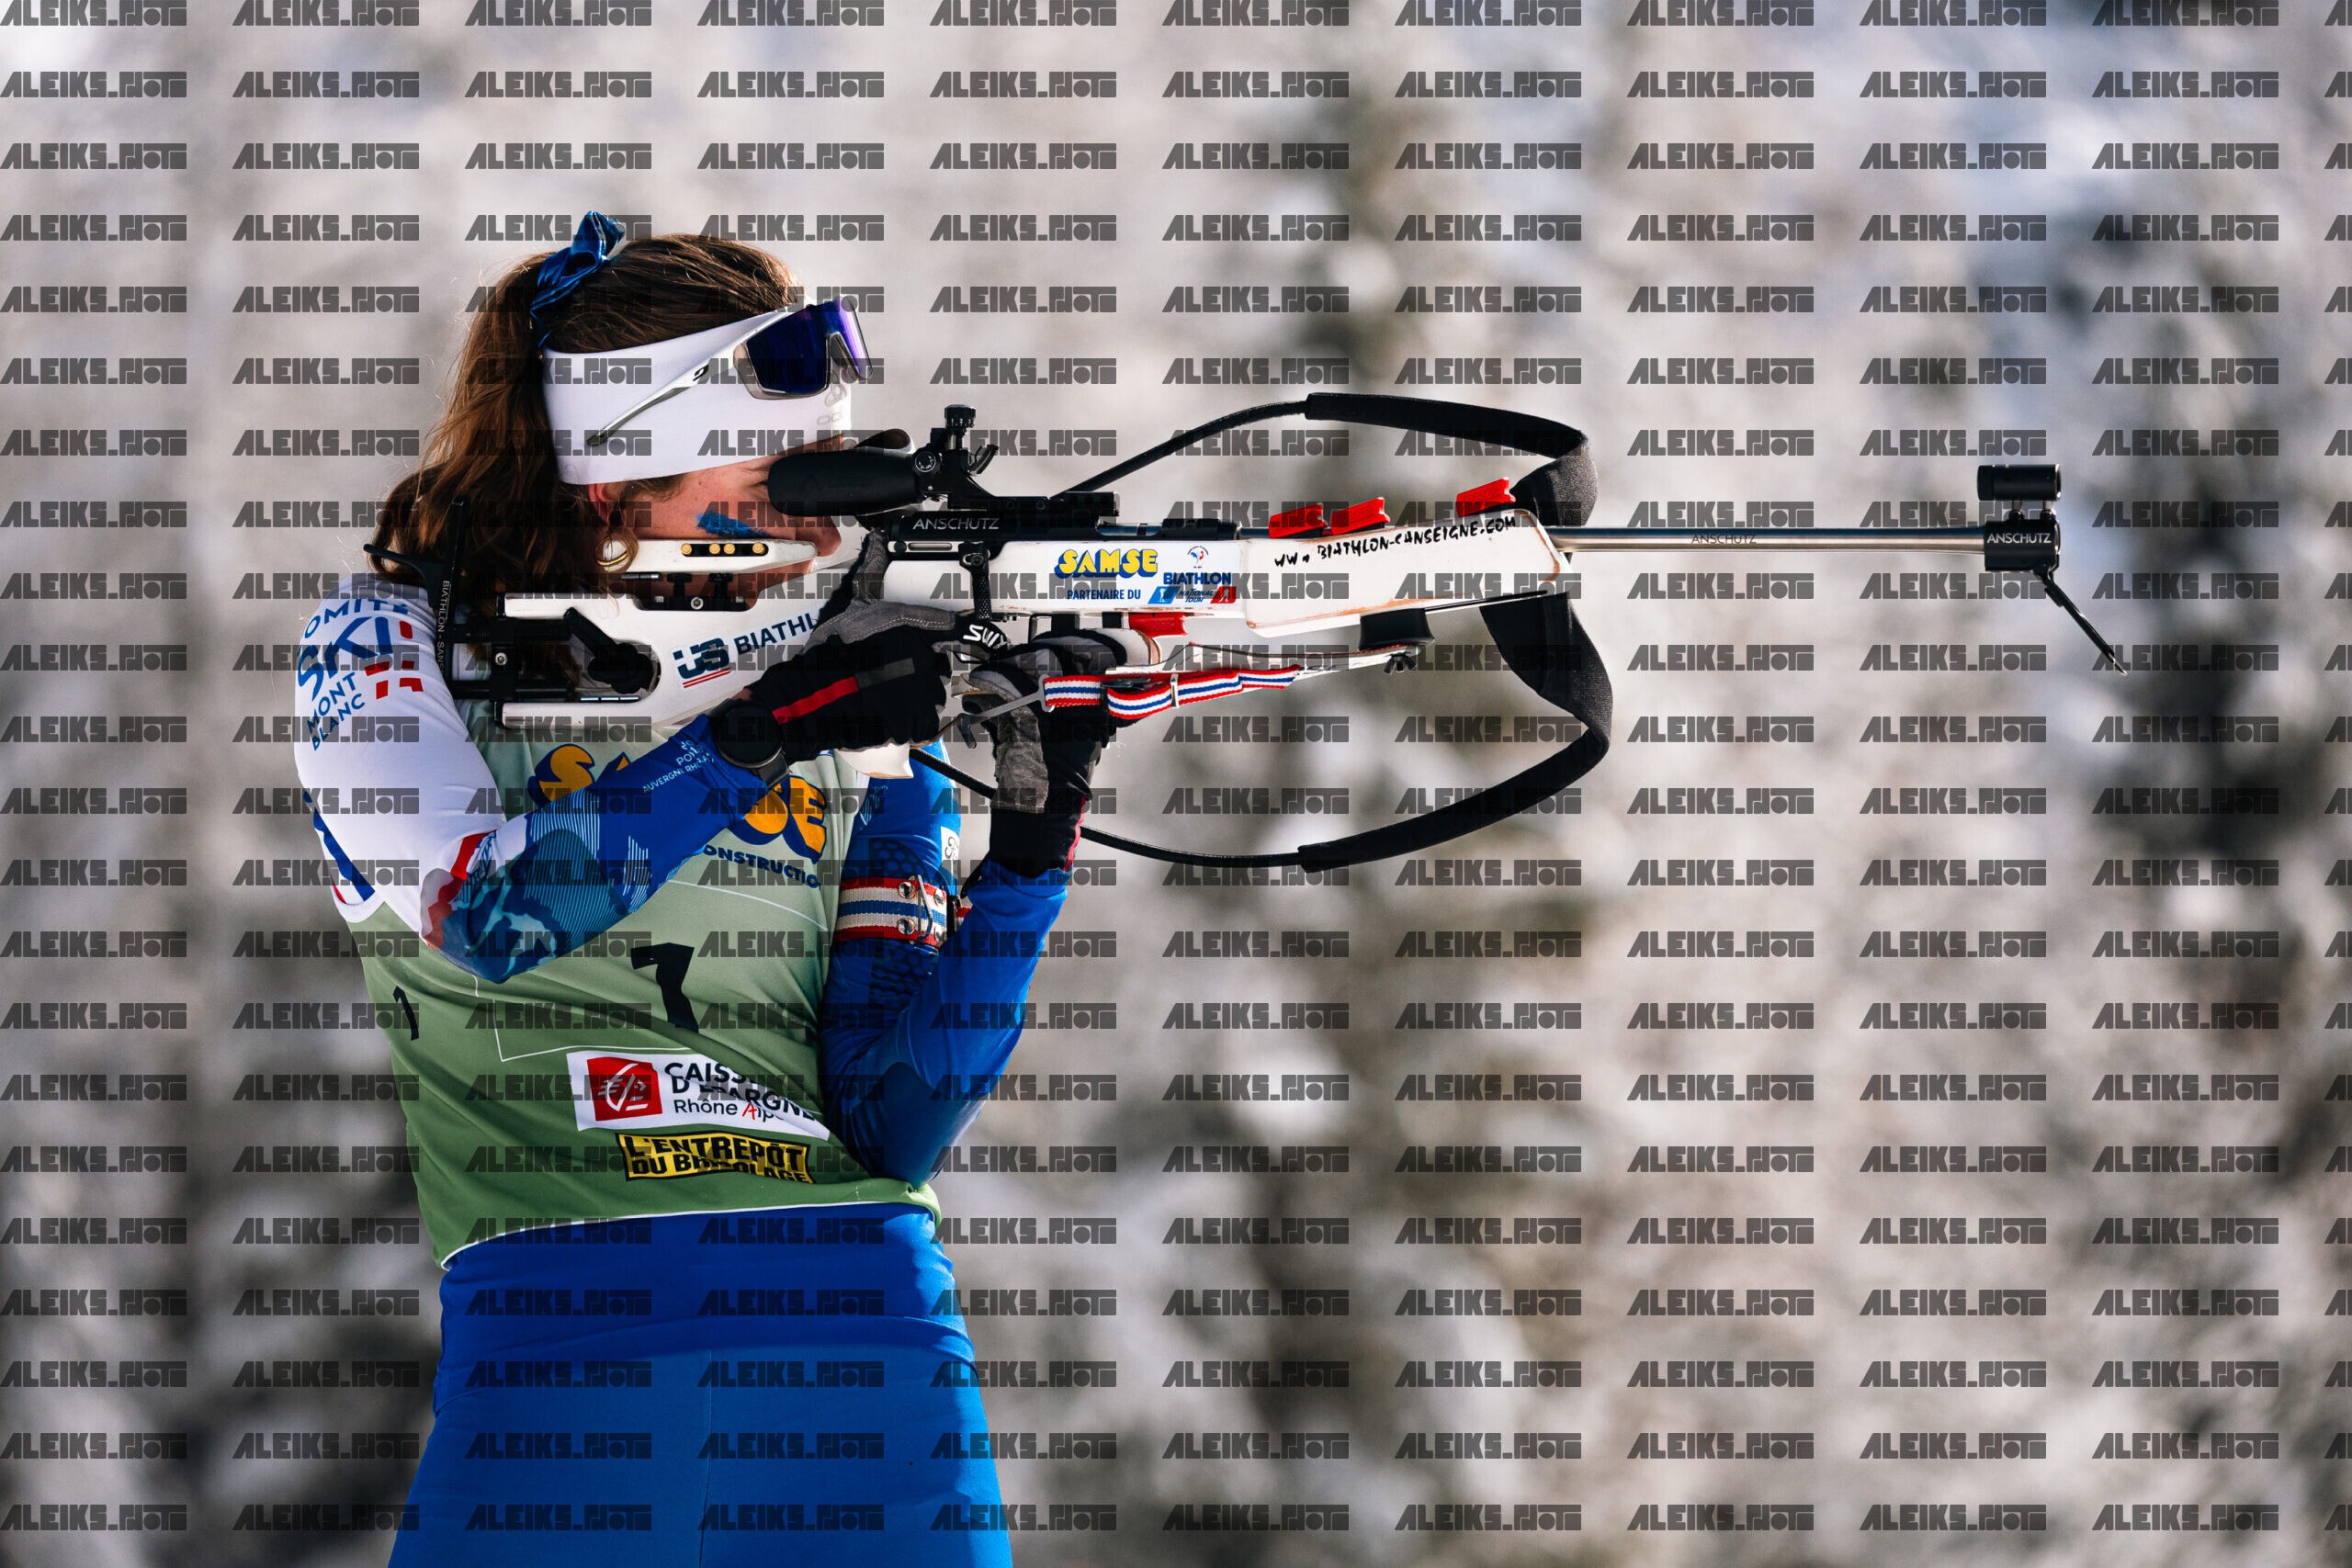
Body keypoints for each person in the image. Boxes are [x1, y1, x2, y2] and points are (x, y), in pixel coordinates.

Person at [292, 214, 1123, 1564]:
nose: (821, 525)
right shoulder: (391, 645)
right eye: (777, 481)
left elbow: (890, 1116)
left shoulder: (842, 690)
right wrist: (758, 731)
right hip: (555, 1368)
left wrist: (1030, 854)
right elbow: (483, 917)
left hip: (871, 1366)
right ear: (619, 472)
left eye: (831, 479)